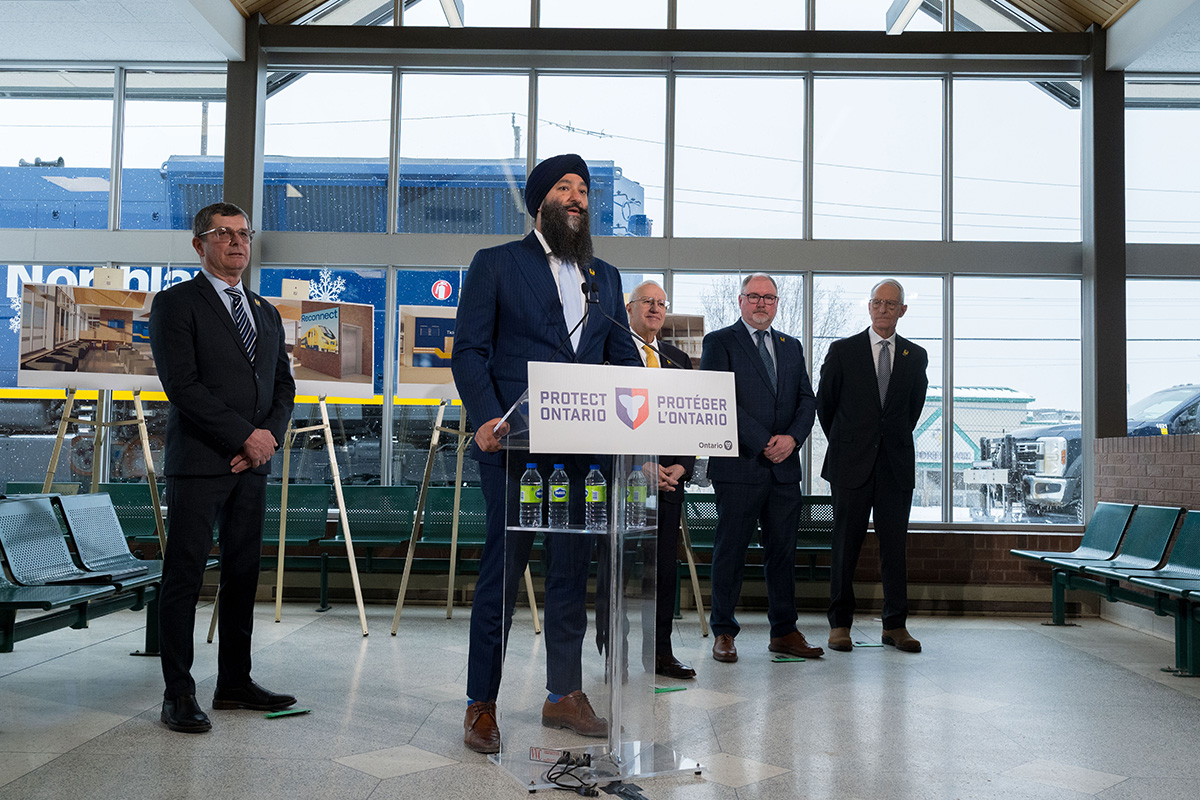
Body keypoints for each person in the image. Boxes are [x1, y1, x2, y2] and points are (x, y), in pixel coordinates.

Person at [451, 154, 642, 754]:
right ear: (541, 202)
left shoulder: (605, 277)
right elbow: (469, 351)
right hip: (515, 451)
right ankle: (481, 702)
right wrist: (486, 417)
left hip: (584, 456)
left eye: (583, 189)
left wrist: (644, 417)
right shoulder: (497, 263)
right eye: (565, 187)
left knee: (570, 575)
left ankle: (563, 693)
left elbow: (622, 360)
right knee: (502, 576)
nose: (578, 197)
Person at [149, 202, 297, 733]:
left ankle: (234, 681)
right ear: (199, 244)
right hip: (200, 463)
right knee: (184, 576)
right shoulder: (175, 304)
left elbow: (283, 386)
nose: (237, 243)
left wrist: (267, 438)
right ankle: (178, 693)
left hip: (252, 465)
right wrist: (243, 436)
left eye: (243, 234)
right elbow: (182, 385)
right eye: (223, 234)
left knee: (242, 574)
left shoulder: (264, 311)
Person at [699, 273, 822, 664]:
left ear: (777, 303)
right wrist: (764, 440)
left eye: (769, 298)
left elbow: (807, 400)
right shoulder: (720, 342)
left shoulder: (791, 346)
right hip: (739, 467)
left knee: (782, 554)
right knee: (731, 552)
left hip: (783, 470)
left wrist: (793, 439)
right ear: (741, 301)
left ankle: (784, 631)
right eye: (754, 296)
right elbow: (718, 400)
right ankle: (723, 631)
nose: (762, 303)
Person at [817, 278, 928, 653]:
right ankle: (840, 625)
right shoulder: (843, 351)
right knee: (845, 546)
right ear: (869, 307)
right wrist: (849, 442)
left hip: (895, 465)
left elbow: (912, 411)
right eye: (878, 303)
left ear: (902, 310)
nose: (883, 309)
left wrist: (885, 440)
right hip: (850, 464)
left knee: (894, 548)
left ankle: (895, 625)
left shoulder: (916, 356)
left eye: (891, 304)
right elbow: (825, 406)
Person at [624, 280, 697, 680]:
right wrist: (639, 464)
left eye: (661, 303)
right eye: (647, 302)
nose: (655, 308)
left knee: (664, 573)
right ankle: (614, 652)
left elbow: (690, 419)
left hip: (669, 483)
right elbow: (605, 420)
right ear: (630, 308)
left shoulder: (677, 359)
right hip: (625, 482)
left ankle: (660, 654)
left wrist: (682, 466)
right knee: (620, 570)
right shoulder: (612, 353)